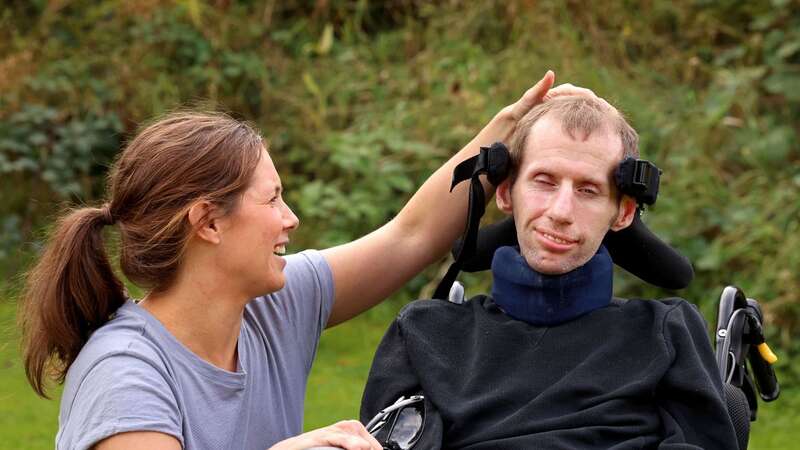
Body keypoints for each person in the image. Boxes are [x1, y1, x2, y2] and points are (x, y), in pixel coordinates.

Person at [18, 71, 596, 450]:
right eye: (272, 199)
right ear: (208, 222)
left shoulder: (272, 305)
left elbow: (408, 237)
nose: (290, 219)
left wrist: (507, 131)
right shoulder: (126, 374)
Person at [360, 95, 740, 448]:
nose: (560, 211)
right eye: (544, 182)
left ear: (623, 212)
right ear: (506, 192)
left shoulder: (665, 334)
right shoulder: (426, 334)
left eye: (588, 190)